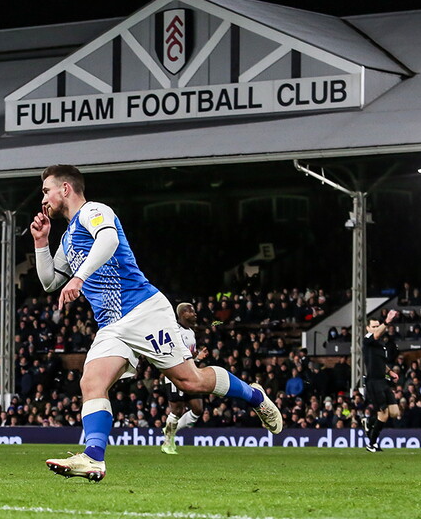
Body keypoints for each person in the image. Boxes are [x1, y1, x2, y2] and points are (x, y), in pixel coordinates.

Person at [32, 165, 281, 481]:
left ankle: (255, 396)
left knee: (191, 382)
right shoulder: (67, 237)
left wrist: (80, 277)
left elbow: (107, 241)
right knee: (91, 383)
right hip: (112, 325)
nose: (44, 198)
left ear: (65, 189)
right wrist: (41, 242)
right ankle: (93, 458)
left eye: (46, 191)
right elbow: (50, 282)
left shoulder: (94, 211)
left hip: (144, 310)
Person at [159, 301, 209, 455]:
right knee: (177, 410)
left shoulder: (190, 332)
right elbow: (174, 354)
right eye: (190, 311)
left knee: (198, 409)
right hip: (176, 374)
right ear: (182, 314)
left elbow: (189, 356)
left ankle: (169, 429)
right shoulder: (175, 331)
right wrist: (197, 357)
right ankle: (167, 443)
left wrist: (197, 357)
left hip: (190, 373)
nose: (194, 313)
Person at [361, 309, 400, 452]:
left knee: (395, 412)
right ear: (368, 328)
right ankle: (371, 444)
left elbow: (380, 363)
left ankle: (369, 422)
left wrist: (390, 372)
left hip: (383, 381)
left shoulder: (379, 345)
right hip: (373, 382)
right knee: (383, 414)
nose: (376, 329)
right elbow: (377, 334)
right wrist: (387, 321)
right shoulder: (367, 340)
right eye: (373, 326)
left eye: (378, 326)